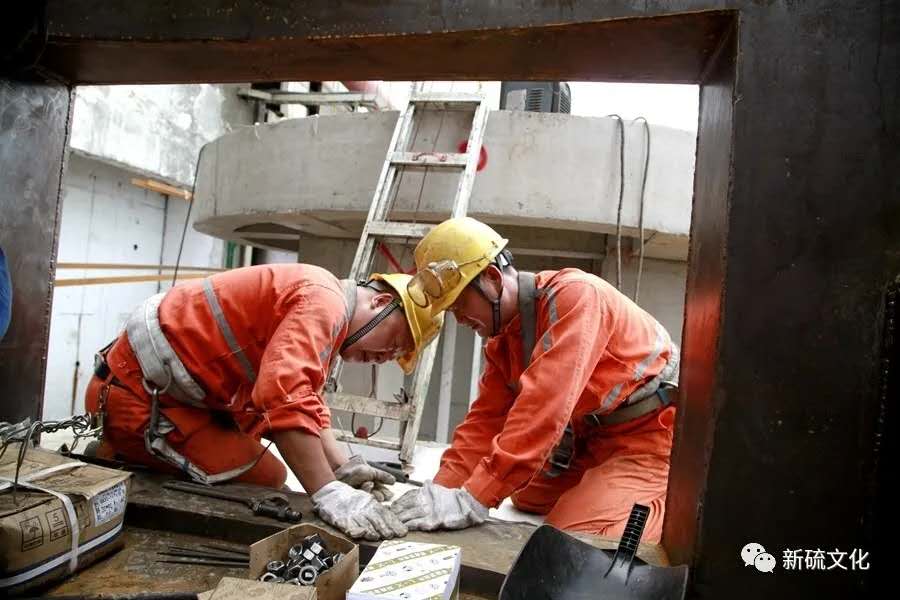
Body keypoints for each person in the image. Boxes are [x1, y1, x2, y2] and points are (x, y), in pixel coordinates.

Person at [85, 264, 442, 540]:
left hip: (176, 395)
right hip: (136, 399)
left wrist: (341, 466)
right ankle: (121, 452)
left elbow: (306, 399)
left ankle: (128, 450)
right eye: (395, 342)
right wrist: (329, 492)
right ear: (380, 303)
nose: (384, 357)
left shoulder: (324, 300)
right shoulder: (324, 303)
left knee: (268, 465)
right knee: (267, 478)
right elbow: (284, 396)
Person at [390, 217, 679, 542]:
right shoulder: (503, 343)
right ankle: (605, 488)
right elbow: (484, 423)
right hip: (592, 437)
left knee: (572, 538)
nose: (458, 319)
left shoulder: (577, 297)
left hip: (650, 437)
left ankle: (665, 501)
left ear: (492, 278)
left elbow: (544, 409)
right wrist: (440, 493)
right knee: (526, 496)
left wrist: (474, 497)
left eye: (459, 304)